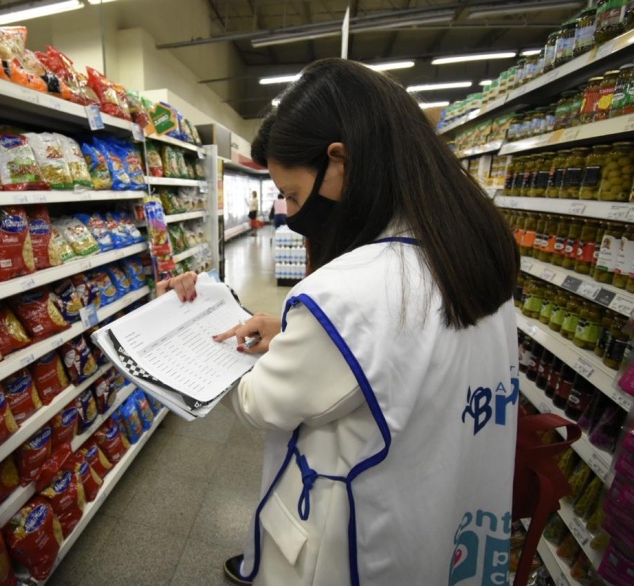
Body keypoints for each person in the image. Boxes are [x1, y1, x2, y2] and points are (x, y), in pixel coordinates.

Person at [161, 57, 519, 586]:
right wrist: (294, 335)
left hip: (360, 547)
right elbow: (395, 359)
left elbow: (262, 403)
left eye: (294, 195)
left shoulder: (351, 290)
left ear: (341, 162)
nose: (288, 210)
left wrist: (190, 334)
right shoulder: (472, 249)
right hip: (445, 523)